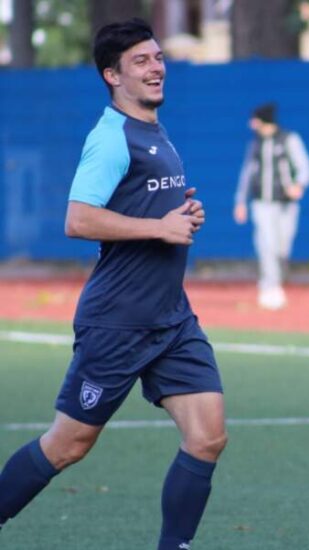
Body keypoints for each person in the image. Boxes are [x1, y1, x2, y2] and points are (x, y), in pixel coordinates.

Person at [0, 19, 227, 550]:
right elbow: (78, 219)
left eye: (158, 57)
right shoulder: (111, 138)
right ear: (112, 76)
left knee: (207, 437)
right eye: (140, 61)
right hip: (117, 320)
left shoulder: (154, 131)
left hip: (171, 318)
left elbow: (149, 208)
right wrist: (159, 227)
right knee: (68, 444)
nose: (156, 68)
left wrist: (182, 215)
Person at [233, 102, 309, 310]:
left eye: (255, 120)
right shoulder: (255, 144)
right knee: (266, 244)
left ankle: (275, 280)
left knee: (282, 247)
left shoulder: (289, 139)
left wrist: (298, 185)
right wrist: (240, 201)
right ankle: (270, 286)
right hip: (261, 204)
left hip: (286, 205)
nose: (251, 124)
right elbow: (246, 174)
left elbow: (305, 167)